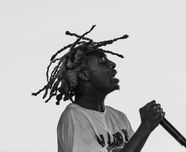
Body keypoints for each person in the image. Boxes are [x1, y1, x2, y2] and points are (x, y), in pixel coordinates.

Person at [32, 25, 165, 152]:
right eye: (103, 62)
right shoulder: (75, 118)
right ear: (84, 74)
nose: (112, 64)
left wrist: (146, 127)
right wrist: (145, 127)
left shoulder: (119, 118)